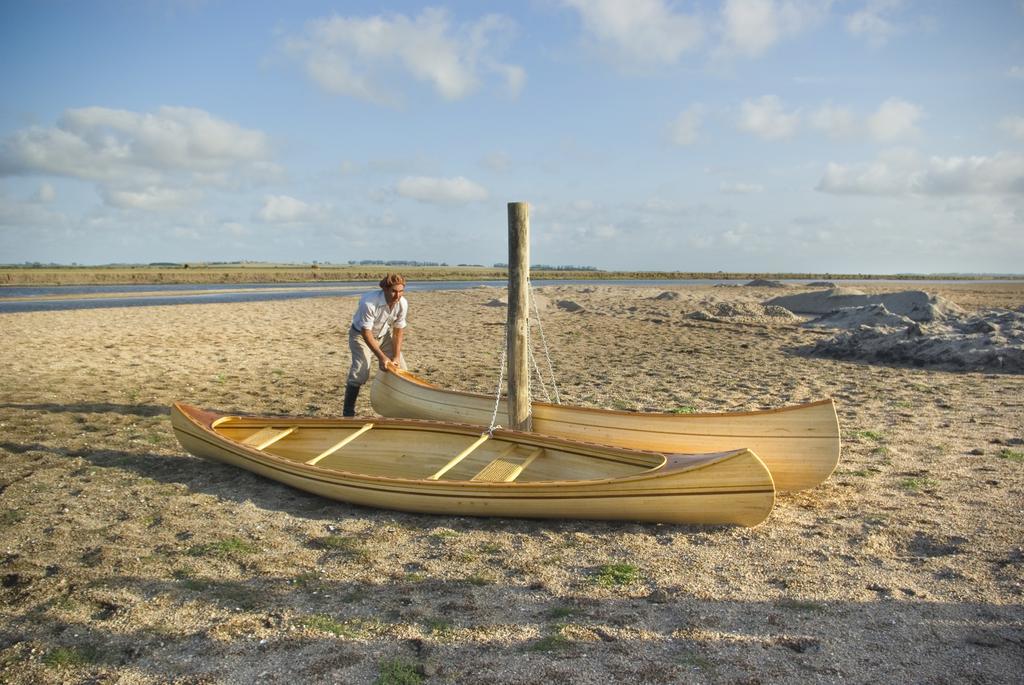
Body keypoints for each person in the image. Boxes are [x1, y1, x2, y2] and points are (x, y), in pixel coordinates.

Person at [344, 274, 408, 416]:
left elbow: (398, 331)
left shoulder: (402, 303)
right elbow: (366, 333)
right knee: (360, 372)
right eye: (394, 291)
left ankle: (399, 406)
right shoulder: (369, 302)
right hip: (360, 336)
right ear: (384, 289)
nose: (397, 295)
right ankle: (348, 411)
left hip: (383, 335)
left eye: (401, 291)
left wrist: (396, 356)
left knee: (401, 369)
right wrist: (382, 357)